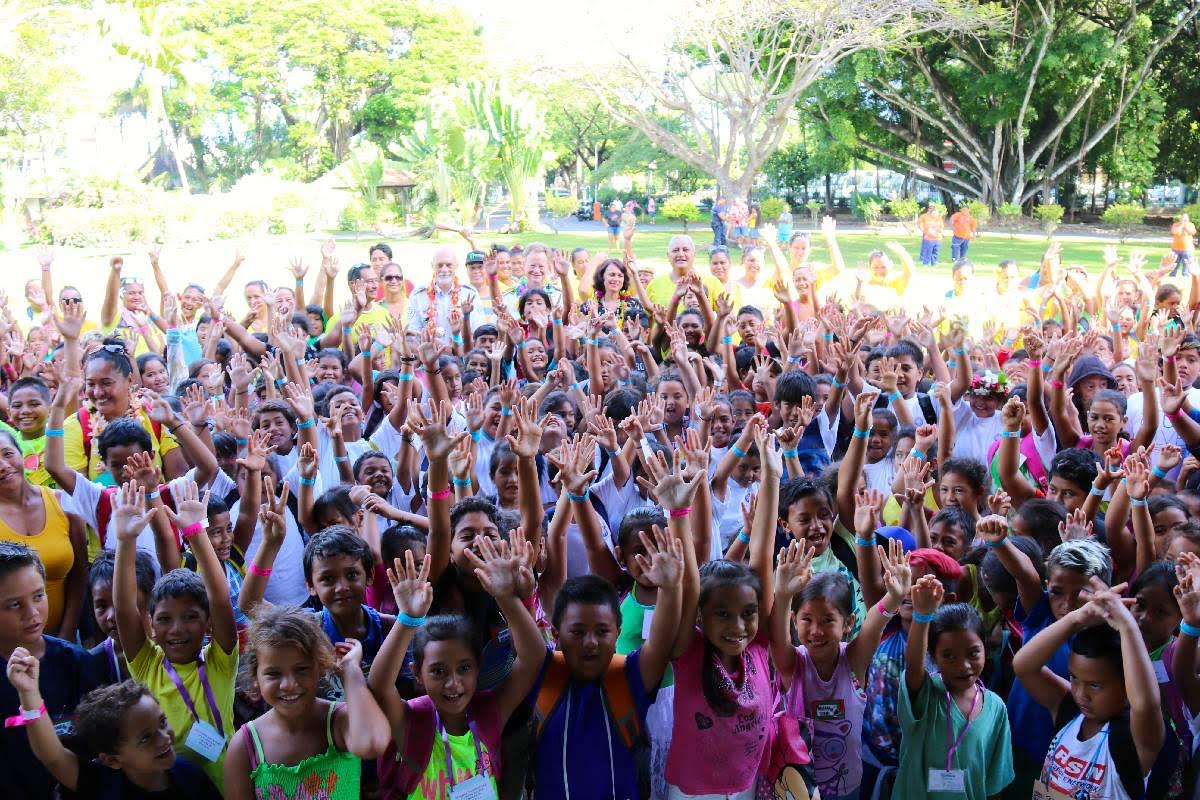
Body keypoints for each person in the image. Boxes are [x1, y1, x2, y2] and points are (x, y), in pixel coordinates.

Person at [222, 606, 391, 799]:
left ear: (320, 668)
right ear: (255, 678)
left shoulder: (338, 721)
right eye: (273, 674)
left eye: (301, 669)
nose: (289, 685)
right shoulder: (246, 745)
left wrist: (350, 670)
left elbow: (372, 743)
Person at [4, 663, 222, 799]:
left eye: (162, 722)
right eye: (145, 738)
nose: (164, 738)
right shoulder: (101, 783)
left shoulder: (190, 777)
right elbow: (53, 757)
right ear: (111, 760)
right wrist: (29, 692)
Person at [1170, 212, 1195, 277]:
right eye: (1182, 218)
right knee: (1174, 263)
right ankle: (1172, 275)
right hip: (1176, 249)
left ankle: (1185, 275)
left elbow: (1192, 232)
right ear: (1180, 219)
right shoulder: (1176, 225)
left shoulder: (1191, 225)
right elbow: (1174, 232)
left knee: (1186, 263)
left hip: (1187, 249)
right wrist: (1181, 225)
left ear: (1188, 219)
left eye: (1185, 219)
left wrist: (1185, 227)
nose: (1184, 220)